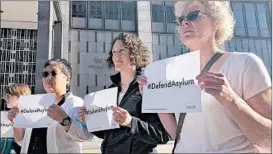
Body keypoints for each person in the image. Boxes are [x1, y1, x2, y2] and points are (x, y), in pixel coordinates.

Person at [138, 1, 272, 153]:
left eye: (194, 15)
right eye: (181, 20)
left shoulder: (245, 64)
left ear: (216, 22)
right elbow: (179, 136)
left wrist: (231, 100)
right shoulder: (174, 72)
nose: (185, 23)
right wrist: (156, 100)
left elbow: (269, 138)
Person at [73, 33, 170, 154]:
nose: (116, 55)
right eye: (114, 52)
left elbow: (162, 135)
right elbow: (109, 134)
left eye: (122, 50)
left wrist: (131, 122)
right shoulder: (111, 90)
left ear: (135, 53)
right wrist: (89, 121)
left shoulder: (148, 85)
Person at [7, 59, 84, 153]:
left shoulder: (75, 103)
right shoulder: (34, 104)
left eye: (54, 73)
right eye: (45, 74)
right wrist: (16, 122)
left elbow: (84, 136)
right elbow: (21, 141)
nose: (48, 78)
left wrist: (65, 120)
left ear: (67, 79)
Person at [1, 83, 31, 154]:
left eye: (8, 96)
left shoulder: (31, 115)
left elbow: (20, 141)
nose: (6, 99)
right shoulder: (8, 114)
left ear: (19, 97)